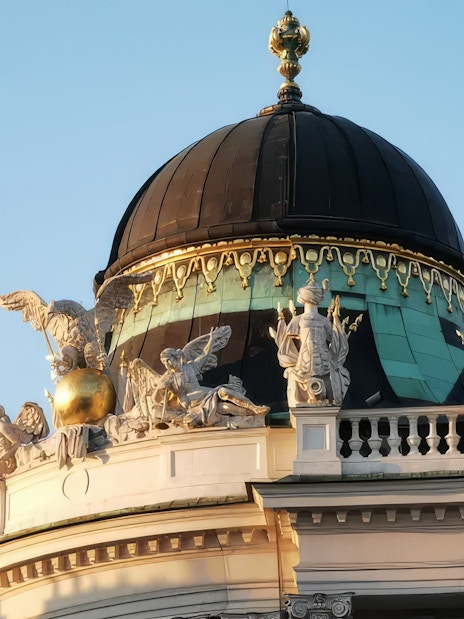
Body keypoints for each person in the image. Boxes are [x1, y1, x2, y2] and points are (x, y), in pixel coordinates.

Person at [157, 333, 269, 428]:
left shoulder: (190, 368)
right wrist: (160, 388)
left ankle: (253, 408)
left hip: (206, 395)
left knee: (223, 391)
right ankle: (251, 414)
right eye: (164, 362)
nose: (167, 364)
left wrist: (212, 340)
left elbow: (205, 354)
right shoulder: (167, 378)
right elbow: (156, 399)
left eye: (168, 360)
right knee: (225, 408)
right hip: (193, 408)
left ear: (175, 358)